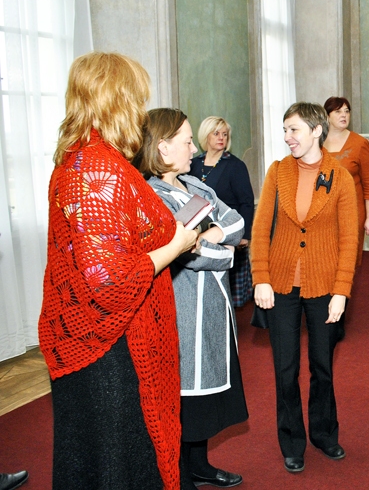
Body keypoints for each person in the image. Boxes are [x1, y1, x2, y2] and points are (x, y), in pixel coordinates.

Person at [38, 52, 198, 489]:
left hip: (87, 335)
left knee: (89, 456)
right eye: (136, 97)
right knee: (120, 461)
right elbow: (112, 281)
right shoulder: (98, 168)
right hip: (113, 345)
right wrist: (177, 244)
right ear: (119, 100)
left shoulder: (74, 159)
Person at [136, 108, 249, 489]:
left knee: (208, 396)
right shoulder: (152, 195)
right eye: (185, 141)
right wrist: (215, 248)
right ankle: (179, 476)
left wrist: (209, 235)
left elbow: (236, 222)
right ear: (163, 147)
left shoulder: (197, 186)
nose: (192, 147)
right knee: (184, 397)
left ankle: (199, 464)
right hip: (181, 311)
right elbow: (191, 256)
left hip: (214, 308)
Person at [250, 102, 359, 474]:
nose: (287, 138)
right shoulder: (278, 172)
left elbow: (349, 239)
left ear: (316, 130)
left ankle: (325, 434)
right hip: (280, 284)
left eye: (294, 130)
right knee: (285, 368)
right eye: (285, 131)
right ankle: (291, 440)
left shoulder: (339, 176)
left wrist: (342, 291)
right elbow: (261, 227)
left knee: (322, 366)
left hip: (324, 285)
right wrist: (261, 277)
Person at [189, 117, 256, 309]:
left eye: (224, 134)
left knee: (227, 293)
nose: (221, 138)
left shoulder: (235, 166)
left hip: (228, 232)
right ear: (205, 136)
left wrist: (244, 235)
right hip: (199, 232)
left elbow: (246, 202)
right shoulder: (193, 164)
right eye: (216, 133)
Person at [323, 96, 369, 267]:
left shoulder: (360, 143)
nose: (343, 115)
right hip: (323, 214)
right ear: (327, 116)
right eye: (338, 111)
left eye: (347, 111)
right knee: (324, 261)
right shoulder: (316, 142)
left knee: (347, 263)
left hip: (352, 213)